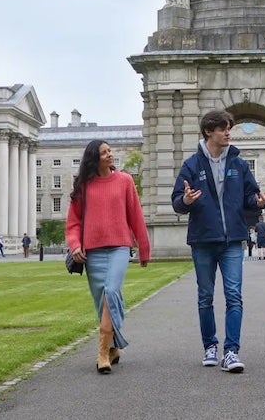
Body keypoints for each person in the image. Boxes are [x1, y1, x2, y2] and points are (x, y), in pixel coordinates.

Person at [171, 109, 265, 374]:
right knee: (205, 297)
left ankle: (231, 351)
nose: (229, 132)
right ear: (209, 131)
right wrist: (186, 200)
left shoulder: (238, 164)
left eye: (229, 128)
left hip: (232, 240)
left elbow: (250, 198)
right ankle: (210, 346)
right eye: (224, 128)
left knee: (234, 296)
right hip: (203, 240)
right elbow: (176, 203)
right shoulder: (191, 165)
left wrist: (260, 201)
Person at [66, 139, 151, 374]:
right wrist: (75, 246)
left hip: (119, 247)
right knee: (101, 301)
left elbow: (136, 217)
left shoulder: (125, 180)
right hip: (92, 251)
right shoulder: (84, 186)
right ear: (94, 158)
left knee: (111, 292)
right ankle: (114, 347)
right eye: (104, 153)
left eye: (110, 151)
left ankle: (102, 351)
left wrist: (144, 248)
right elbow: (73, 223)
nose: (109, 155)